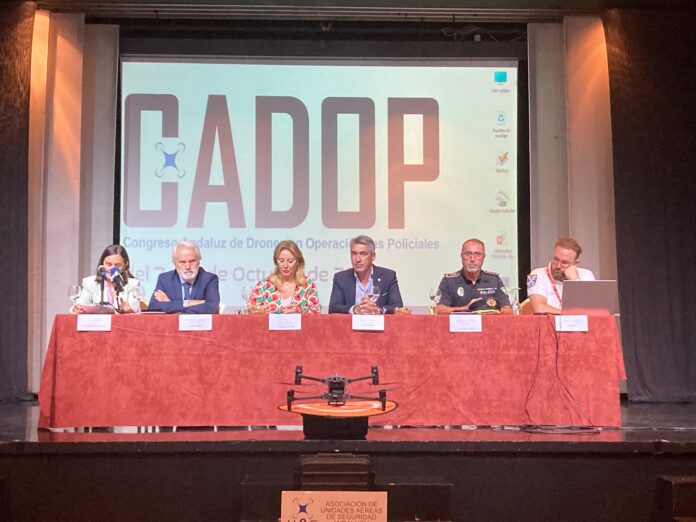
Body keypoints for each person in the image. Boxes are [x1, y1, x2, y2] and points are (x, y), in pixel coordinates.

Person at [329, 235, 403, 314]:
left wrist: (379, 310)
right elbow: (333, 308)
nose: (358, 259)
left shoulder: (388, 276)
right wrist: (355, 309)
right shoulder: (341, 278)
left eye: (363, 254)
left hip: (379, 321)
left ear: (373, 256)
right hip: (351, 322)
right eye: (354, 254)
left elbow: (398, 306)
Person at [435, 238, 511, 314]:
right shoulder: (449, 281)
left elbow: (508, 310)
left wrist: (484, 310)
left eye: (477, 254)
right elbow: (439, 310)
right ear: (461, 256)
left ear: (483, 257)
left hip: (487, 321)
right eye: (467, 254)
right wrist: (466, 308)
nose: (472, 259)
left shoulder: (493, 280)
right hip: (459, 322)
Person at [527, 237, 595, 314]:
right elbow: (540, 308)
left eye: (564, 262)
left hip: (579, 322)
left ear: (575, 263)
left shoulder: (586, 275)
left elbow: (590, 310)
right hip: (550, 321)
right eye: (556, 259)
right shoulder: (537, 275)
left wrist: (574, 281)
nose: (558, 266)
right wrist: (570, 314)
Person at [148, 240, 220, 314]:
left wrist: (172, 306)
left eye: (192, 261)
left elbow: (212, 308)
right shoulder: (165, 279)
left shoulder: (209, 279)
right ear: (175, 263)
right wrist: (187, 303)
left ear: (199, 261)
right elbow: (153, 307)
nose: (187, 267)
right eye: (182, 262)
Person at [249, 240, 320, 314]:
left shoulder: (307, 284)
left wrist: (300, 311)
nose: (285, 265)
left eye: (290, 261)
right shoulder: (264, 285)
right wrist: (259, 310)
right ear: (276, 262)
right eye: (281, 261)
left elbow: (316, 311)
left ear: (298, 262)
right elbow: (250, 310)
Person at [73, 244, 141, 314]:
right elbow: (78, 307)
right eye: (109, 264)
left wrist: (129, 310)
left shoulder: (132, 284)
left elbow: (136, 310)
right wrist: (79, 309)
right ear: (102, 264)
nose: (112, 269)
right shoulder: (90, 283)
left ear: (125, 266)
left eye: (117, 265)